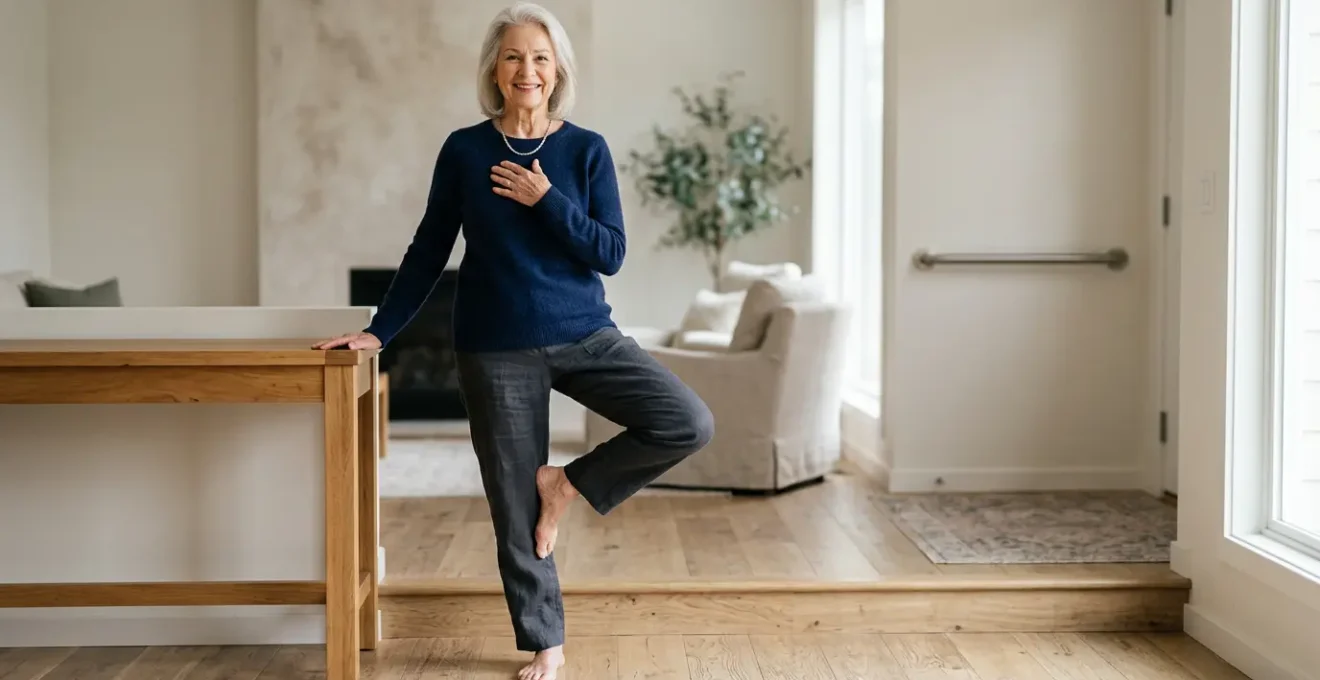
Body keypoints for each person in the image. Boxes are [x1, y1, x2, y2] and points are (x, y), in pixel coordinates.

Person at [314, 3, 714, 678]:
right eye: (512, 57)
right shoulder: (466, 151)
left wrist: (545, 198)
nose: (526, 69)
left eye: (538, 57)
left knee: (686, 421)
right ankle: (545, 644)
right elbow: (426, 250)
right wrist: (379, 331)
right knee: (512, 504)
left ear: (557, 68)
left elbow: (611, 252)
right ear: (494, 71)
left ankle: (567, 485)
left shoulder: (584, 150)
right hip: (493, 347)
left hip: (584, 333)